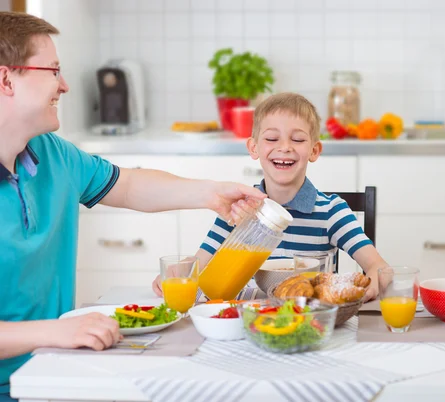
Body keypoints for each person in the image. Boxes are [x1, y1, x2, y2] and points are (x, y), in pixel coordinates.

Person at [0, 12, 265, 400]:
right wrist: (55, 331)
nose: (65, 85)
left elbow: (127, 185)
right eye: (53, 70)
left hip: (53, 372)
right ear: (6, 79)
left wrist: (209, 193)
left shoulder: (52, 154)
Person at [153, 92, 388, 301]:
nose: (284, 147)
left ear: (314, 151)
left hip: (310, 322)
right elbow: (198, 266)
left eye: (297, 139)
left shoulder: (331, 213)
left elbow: (377, 265)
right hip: (248, 323)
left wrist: (378, 278)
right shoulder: (238, 209)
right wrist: (176, 273)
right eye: (272, 138)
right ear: (254, 148)